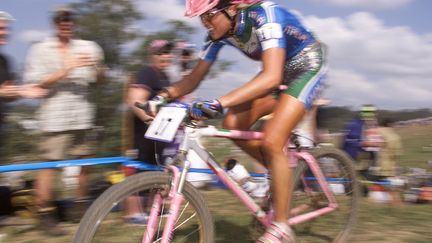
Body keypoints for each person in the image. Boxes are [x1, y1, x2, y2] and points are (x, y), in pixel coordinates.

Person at [150, 1, 327, 242]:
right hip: (279, 71)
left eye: (208, 16)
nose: (204, 23)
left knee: (273, 140)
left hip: (306, 64)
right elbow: (193, 78)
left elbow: (271, 77)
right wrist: (163, 95)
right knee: (233, 123)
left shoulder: (265, 15)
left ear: (230, 8)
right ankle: (279, 175)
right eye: (200, 18)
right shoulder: (217, 34)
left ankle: (282, 227)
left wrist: (218, 102)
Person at [23, 6, 104, 235]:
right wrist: (66, 69)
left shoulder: (88, 47)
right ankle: (45, 214)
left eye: (69, 19)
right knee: (49, 166)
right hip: (54, 117)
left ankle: (80, 208)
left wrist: (97, 67)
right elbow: (36, 83)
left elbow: (100, 80)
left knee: (85, 162)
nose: (65, 22)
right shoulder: (40, 49)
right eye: (61, 19)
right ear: (54, 23)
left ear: (73, 22)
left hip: (83, 114)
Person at [124, 39, 174, 223]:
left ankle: (154, 210)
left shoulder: (165, 76)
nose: (165, 56)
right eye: (160, 53)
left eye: (168, 53)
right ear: (152, 55)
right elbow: (133, 100)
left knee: (156, 171)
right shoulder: (147, 73)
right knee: (140, 171)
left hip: (158, 135)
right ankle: (133, 214)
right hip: (143, 135)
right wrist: (149, 120)